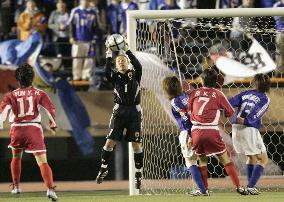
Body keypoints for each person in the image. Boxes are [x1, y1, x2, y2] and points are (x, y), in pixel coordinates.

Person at [0, 63, 58, 201]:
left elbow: (2, 112)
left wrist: (0, 125)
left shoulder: (11, 95)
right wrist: (53, 124)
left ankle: (16, 187)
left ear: (18, 79)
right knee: (42, 162)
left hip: (17, 128)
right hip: (33, 128)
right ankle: (50, 189)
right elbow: (50, 108)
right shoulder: (39, 93)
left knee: (16, 157)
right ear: (32, 78)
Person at [187, 68, 248, 195]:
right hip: (211, 130)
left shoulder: (194, 93)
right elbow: (230, 112)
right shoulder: (218, 94)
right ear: (215, 82)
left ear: (202, 80)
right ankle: (238, 187)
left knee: (202, 160)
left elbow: (189, 111)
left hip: (196, 131)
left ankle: (205, 190)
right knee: (225, 159)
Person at [96, 40, 143, 190]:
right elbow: (105, 72)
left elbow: (138, 65)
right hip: (119, 112)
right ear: (116, 65)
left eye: (124, 60)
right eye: (119, 61)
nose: (121, 62)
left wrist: (127, 50)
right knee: (110, 142)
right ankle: (104, 168)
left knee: (136, 144)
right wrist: (109, 54)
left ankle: (138, 174)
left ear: (127, 63)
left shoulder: (135, 74)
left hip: (134, 112)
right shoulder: (114, 77)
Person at [162, 76, 208, 196]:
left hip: (188, 132)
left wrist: (190, 135)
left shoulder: (175, 101)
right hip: (200, 129)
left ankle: (203, 190)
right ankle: (203, 188)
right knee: (201, 160)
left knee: (190, 162)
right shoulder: (188, 96)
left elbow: (185, 117)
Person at [229, 74, 271, 195]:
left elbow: (230, 102)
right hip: (249, 128)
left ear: (254, 83)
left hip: (236, 127)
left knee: (251, 157)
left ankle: (250, 186)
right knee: (263, 159)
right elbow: (258, 113)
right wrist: (247, 121)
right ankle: (251, 186)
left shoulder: (245, 93)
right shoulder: (265, 98)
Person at [68, 0, 99, 81]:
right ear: (80, 1)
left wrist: (95, 37)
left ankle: (86, 75)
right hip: (77, 40)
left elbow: (96, 26)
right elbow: (71, 24)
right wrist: (71, 37)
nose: (85, 2)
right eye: (83, 0)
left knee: (89, 60)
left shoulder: (94, 12)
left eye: (87, 1)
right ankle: (76, 76)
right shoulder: (75, 11)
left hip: (89, 41)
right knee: (77, 59)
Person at [273, 0, 284, 76]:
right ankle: (279, 74)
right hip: (281, 32)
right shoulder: (277, 5)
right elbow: (277, 18)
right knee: (279, 53)